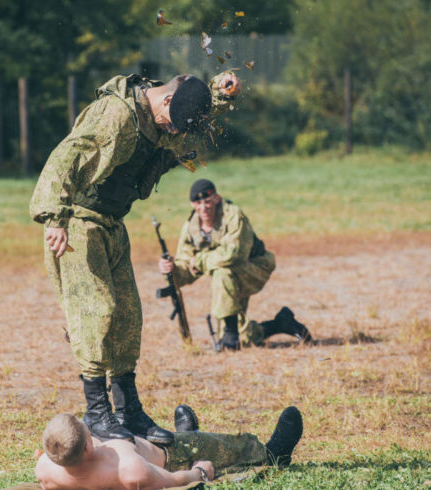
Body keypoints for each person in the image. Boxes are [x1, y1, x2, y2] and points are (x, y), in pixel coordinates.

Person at [29, 71, 242, 444]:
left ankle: (129, 411)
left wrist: (219, 95)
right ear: (163, 102)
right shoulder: (117, 114)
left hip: (112, 224)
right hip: (78, 223)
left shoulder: (165, 110)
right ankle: (97, 412)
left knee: (128, 316)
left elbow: (189, 109)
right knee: (98, 311)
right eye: (171, 125)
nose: (174, 134)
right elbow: (67, 155)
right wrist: (54, 216)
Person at [158, 179, 312, 350]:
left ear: (217, 198)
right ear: (192, 204)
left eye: (208, 201)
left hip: (255, 266)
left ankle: (230, 334)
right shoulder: (191, 228)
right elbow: (187, 268)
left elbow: (234, 254)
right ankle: (282, 323)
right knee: (245, 337)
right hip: (228, 276)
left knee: (222, 271)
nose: (204, 207)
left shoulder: (234, 215)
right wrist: (171, 270)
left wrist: (200, 260)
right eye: (198, 203)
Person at [34, 405, 303, 489]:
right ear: (87, 449)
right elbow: (174, 480)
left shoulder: (47, 467)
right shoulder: (130, 471)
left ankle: (183, 433)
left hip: (142, 442)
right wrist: (199, 471)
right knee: (225, 447)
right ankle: (271, 453)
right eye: (88, 432)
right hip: (172, 457)